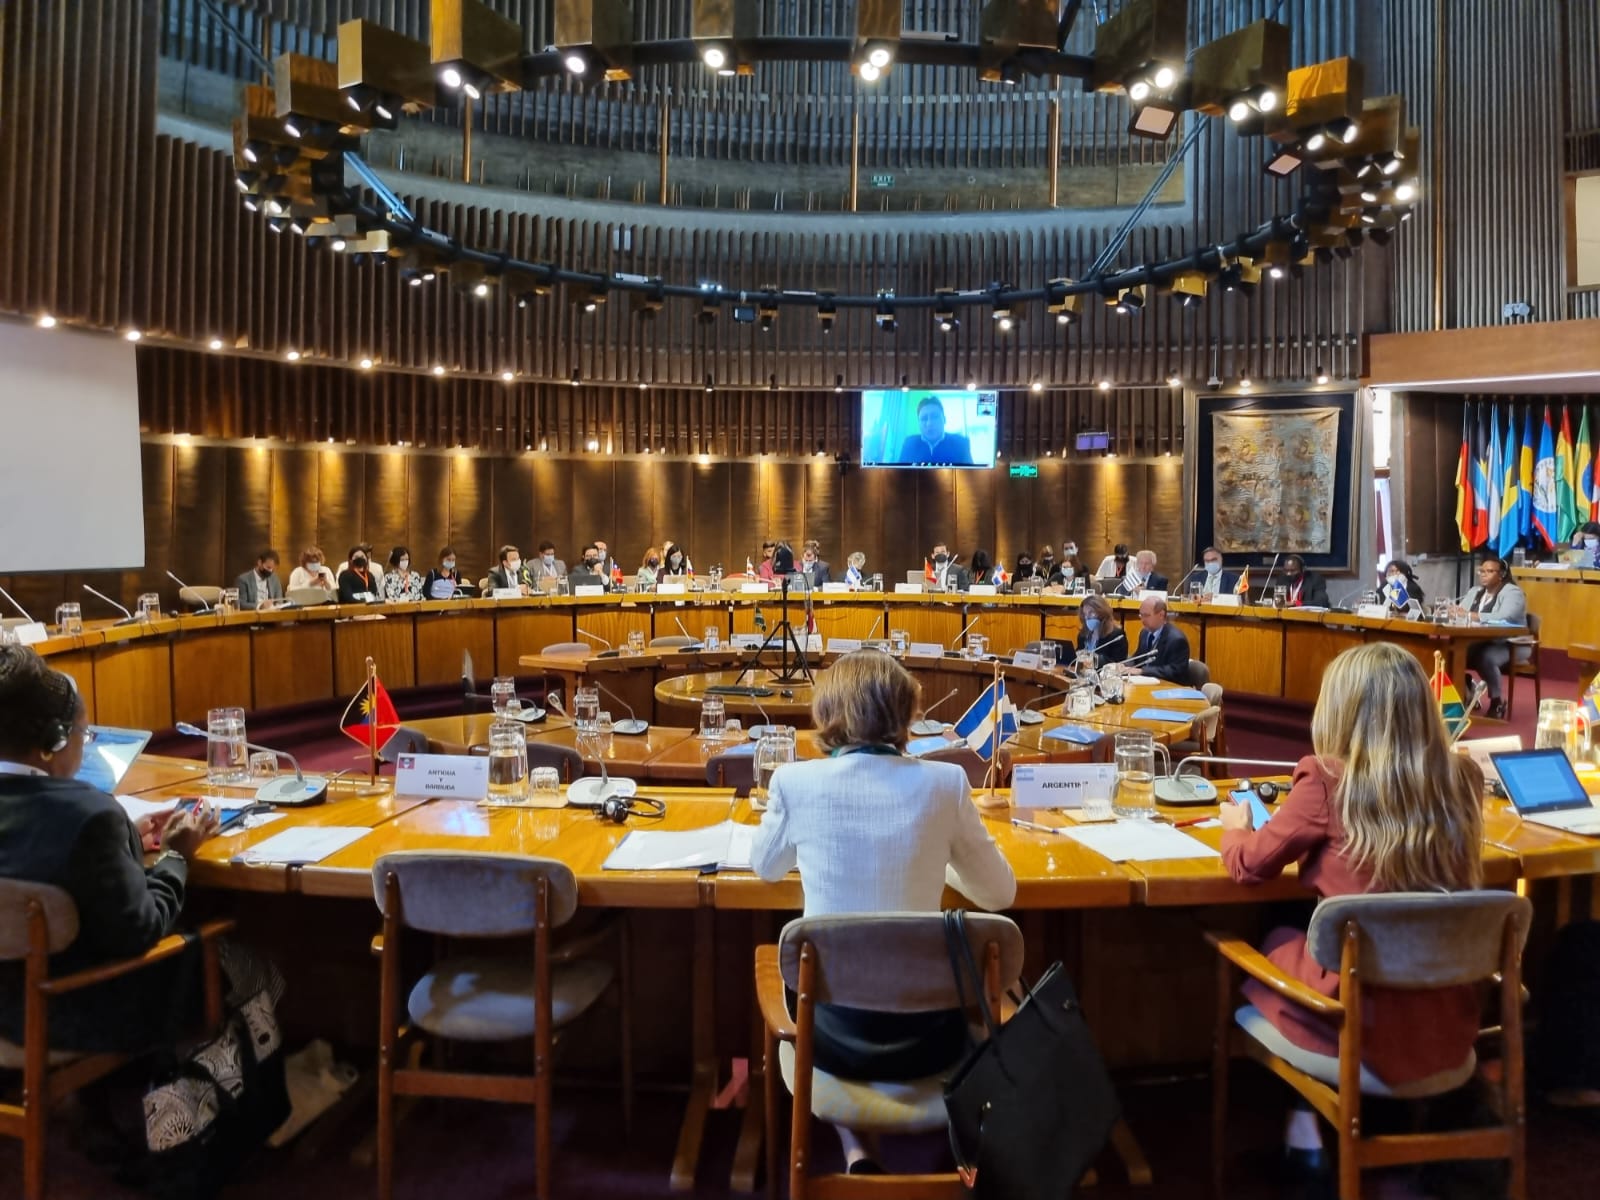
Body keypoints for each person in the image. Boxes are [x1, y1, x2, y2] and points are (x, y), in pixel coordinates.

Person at [750, 651, 1016, 1175]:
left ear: (828, 713)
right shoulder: (945, 784)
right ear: (906, 712)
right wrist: (935, 858)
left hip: (830, 1043)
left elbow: (765, 867)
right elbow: (998, 894)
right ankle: (884, 1148)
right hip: (933, 1042)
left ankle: (857, 1149)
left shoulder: (795, 783)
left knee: (817, 975)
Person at [1219, 643, 1486, 1165]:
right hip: (1445, 1022)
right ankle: (1318, 1127)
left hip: (1353, 1022)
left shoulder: (1325, 779)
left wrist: (1235, 829)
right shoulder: (1463, 780)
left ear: (1339, 709)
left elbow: (1249, 866)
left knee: (1277, 933)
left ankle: (1302, 1127)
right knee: (1305, 925)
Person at [0, 645, 221, 1053]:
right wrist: (175, 855)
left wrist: (125, 839)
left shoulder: (91, 823)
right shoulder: (90, 814)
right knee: (241, 964)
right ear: (54, 739)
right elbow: (141, 930)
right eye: (84, 734)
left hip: (7, 1015)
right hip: (69, 1017)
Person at [1455, 555, 1529, 720]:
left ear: (1501, 574)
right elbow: (1461, 612)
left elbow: (1505, 616)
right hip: (1481, 640)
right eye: (1481, 571)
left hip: (1511, 643)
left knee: (1486, 657)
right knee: (1453, 652)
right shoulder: (1475, 592)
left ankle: (1497, 702)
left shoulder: (1512, 592)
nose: (1483, 574)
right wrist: (1454, 612)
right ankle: (1463, 687)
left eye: (1489, 571)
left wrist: (1472, 615)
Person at [896, 396, 973, 466]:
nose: (929, 423)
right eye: (924, 418)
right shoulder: (909, 443)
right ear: (918, 423)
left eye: (935, 417)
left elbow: (970, 474)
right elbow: (900, 474)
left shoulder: (961, 443)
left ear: (944, 419)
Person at [1131, 595, 1191, 682]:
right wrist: (1122, 666)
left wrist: (1143, 671)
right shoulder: (1144, 633)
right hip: (1146, 683)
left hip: (1169, 687)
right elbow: (1137, 658)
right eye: (1141, 615)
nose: (1142, 620)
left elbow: (1175, 670)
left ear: (1161, 615)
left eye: (1146, 615)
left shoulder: (1177, 640)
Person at [1072, 594, 1128, 668]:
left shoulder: (1117, 636)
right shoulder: (1083, 635)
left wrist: (1095, 661)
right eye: (1085, 614)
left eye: (1091, 613)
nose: (1087, 617)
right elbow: (1077, 659)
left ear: (1102, 612)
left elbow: (1118, 664)